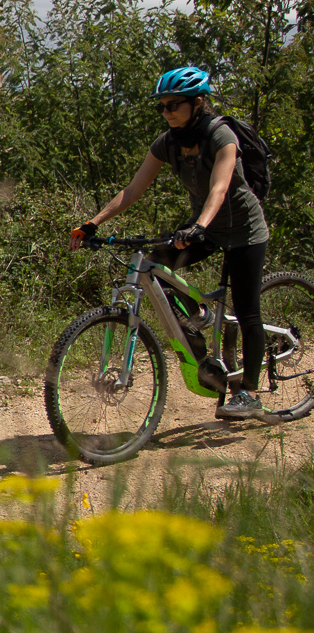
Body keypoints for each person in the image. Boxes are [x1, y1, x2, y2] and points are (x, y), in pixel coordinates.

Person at [70, 66, 270, 419]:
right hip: (206, 227)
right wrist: (93, 222)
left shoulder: (221, 136)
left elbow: (220, 188)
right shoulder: (167, 143)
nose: (167, 112)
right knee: (156, 264)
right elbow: (133, 189)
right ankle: (198, 320)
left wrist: (198, 226)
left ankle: (250, 394)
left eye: (174, 105)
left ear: (198, 103)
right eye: (161, 106)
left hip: (244, 230)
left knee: (247, 311)